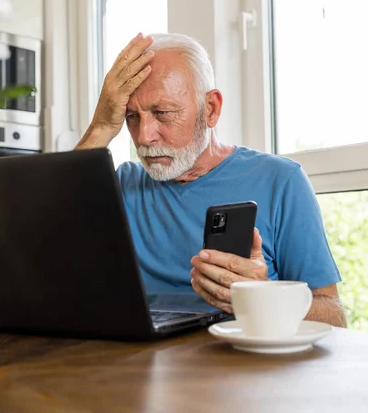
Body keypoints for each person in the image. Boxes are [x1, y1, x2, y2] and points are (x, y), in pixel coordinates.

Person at [75, 32, 347, 328]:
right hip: (142, 365)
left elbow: (334, 317)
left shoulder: (280, 180)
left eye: (162, 112)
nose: (144, 136)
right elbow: (41, 234)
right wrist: (101, 126)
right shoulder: (119, 185)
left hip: (243, 366)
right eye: (131, 117)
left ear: (212, 109)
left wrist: (265, 298)